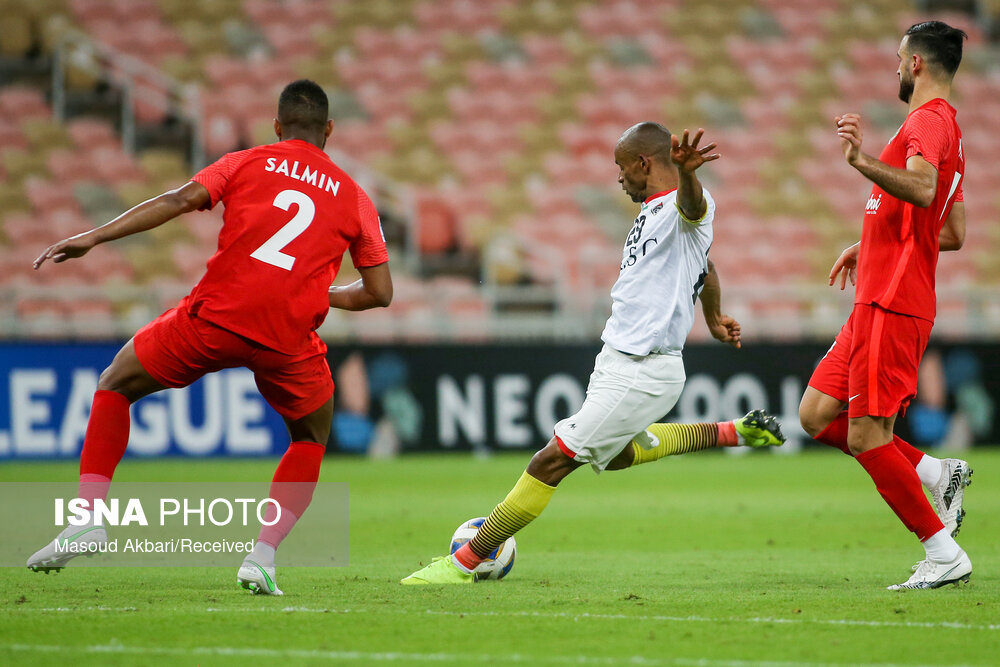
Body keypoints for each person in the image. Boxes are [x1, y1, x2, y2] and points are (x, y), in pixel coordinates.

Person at [27, 79, 392, 595]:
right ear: (329, 129)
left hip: (216, 319)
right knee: (311, 436)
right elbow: (380, 292)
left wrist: (95, 235)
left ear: (276, 125)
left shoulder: (244, 161)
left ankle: (87, 519)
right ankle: (262, 557)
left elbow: (179, 200)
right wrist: (311, 291)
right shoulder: (355, 197)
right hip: (287, 338)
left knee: (115, 384)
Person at [401, 122, 786, 585]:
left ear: (643, 162)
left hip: (645, 367)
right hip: (616, 360)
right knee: (617, 455)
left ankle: (465, 562)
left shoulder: (685, 206)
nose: (619, 177)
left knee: (552, 460)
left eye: (622, 167)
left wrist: (688, 175)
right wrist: (714, 315)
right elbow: (705, 262)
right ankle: (733, 431)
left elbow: (694, 207)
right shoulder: (651, 214)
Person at [797, 22, 971, 590]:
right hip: (877, 296)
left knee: (866, 436)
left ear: (916, 63)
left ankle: (943, 553)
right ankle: (936, 472)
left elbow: (921, 189)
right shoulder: (948, 129)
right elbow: (952, 231)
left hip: (893, 301)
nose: (896, 67)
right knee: (816, 414)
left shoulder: (927, 121)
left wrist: (859, 160)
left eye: (899, 58)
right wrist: (869, 243)